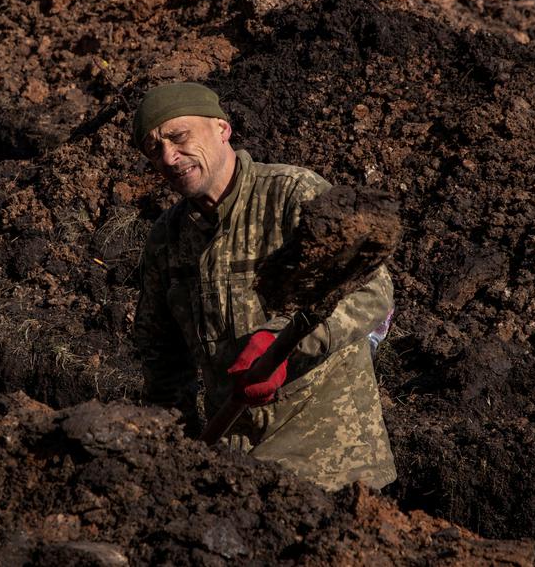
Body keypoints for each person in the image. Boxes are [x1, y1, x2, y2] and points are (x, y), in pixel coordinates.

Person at [132, 81, 397, 492]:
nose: (169, 156)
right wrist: (175, 453)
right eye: (154, 149)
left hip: (331, 462)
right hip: (234, 464)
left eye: (178, 136)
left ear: (222, 129)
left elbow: (371, 292)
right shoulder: (166, 240)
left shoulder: (292, 194)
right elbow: (162, 358)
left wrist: (282, 346)